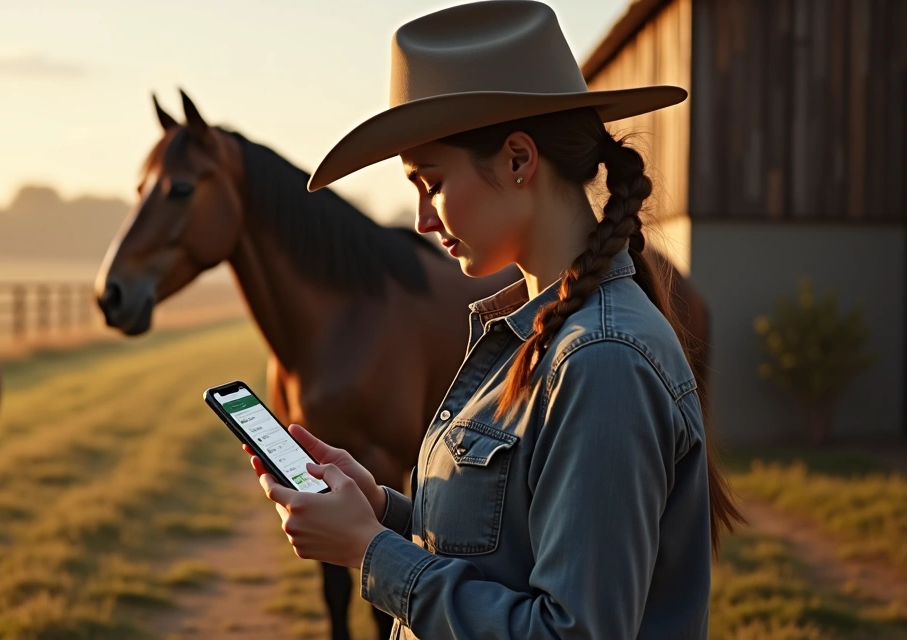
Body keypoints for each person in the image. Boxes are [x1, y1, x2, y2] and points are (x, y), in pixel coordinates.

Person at [242, 1, 743, 638]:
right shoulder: (539, 332)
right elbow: (507, 550)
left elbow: (572, 630)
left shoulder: (601, 361)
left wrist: (368, 554)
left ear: (517, 160)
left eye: (431, 181)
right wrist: (379, 512)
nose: (423, 219)